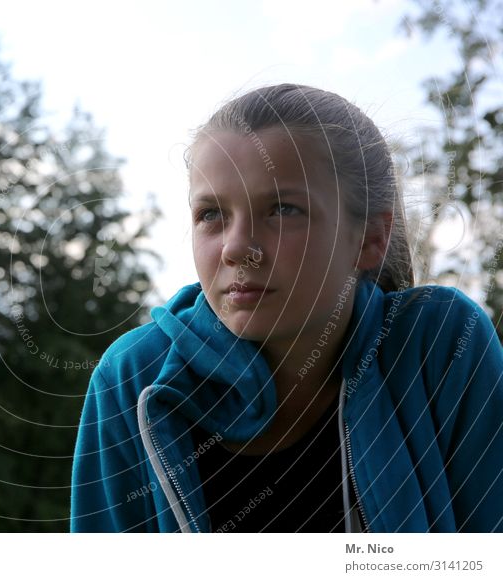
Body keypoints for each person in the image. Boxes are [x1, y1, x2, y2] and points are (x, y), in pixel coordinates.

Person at [69, 83, 503, 533]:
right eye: (212, 214)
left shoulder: (439, 344)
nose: (237, 248)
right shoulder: (135, 377)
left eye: (282, 208)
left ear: (370, 238)